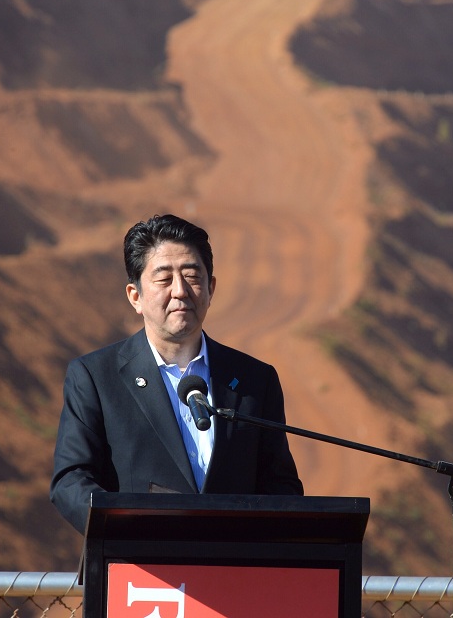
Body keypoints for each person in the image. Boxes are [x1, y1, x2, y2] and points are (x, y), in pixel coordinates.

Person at [50, 213, 304, 533]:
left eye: (192, 276)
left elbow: (281, 485)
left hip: (235, 569)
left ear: (211, 288)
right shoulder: (96, 377)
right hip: (138, 571)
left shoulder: (255, 380)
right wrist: (125, 529)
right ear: (135, 296)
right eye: (164, 278)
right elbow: (70, 481)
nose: (180, 291)